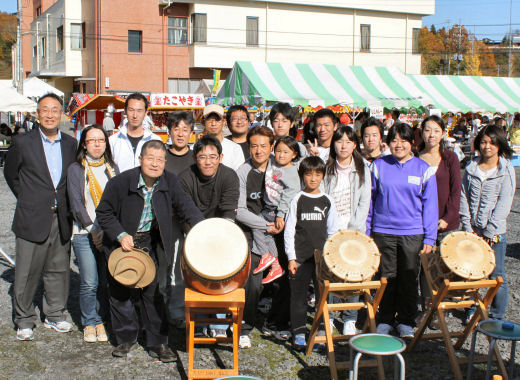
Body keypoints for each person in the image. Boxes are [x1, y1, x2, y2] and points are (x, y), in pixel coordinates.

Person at [96, 140, 204, 361]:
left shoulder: (169, 181)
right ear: (140, 159)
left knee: (152, 293)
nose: (155, 164)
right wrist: (120, 234)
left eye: (160, 159)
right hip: (120, 243)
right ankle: (126, 338)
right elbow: (104, 212)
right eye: (150, 158)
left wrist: (203, 228)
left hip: (146, 242)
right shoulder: (120, 182)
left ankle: (158, 342)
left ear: (165, 161)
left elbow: (186, 207)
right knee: (120, 293)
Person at [4, 93, 78, 341]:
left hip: (62, 217)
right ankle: (24, 319)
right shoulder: (23, 142)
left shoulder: (70, 143)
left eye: (54, 110)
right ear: (37, 113)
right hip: (32, 216)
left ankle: (55, 314)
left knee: (58, 269)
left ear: (61, 114)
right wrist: (28, 199)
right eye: (44, 110)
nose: (49, 114)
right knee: (26, 271)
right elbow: (11, 174)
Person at [367, 123, 438, 338]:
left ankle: (406, 320)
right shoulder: (378, 166)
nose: (399, 145)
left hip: (412, 232)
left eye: (404, 140)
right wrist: (368, 229)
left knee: (408, 276)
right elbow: (370, 200)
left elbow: (430, 205)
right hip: (383, 231)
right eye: (394, 140)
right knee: (386, 277)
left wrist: (430, 236)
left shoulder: (423, 169)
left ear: (412, 143)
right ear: (388, 143)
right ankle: (386, 318)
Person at [179, 135, 240, 338]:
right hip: (194, 229)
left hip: (222, 229)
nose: (208, 161)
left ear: (220, 157)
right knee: (195, 272)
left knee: (225, 270)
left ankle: (221, 320)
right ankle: (198, 318)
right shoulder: (185, 177)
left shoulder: (229, 176)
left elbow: (228, 211)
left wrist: (218, 238)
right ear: (195, 157)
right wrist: (200, 238)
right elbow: (184, 211)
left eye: (213, 156)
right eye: (202, 156)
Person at [67, 124, 118, 343]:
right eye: (92, 140)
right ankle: (89, 321)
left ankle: (102, 319)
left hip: (108, 234)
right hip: (84, 233)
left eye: (101, 140)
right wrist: (92, 229)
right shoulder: (76, 169)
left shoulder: (111, 167)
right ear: (84, 144)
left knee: (105, 280)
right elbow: (76, 204)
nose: (97, 144)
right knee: (89, 281)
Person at [460, 125, 515, 321]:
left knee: (496, 274)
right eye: (484, 142)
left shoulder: (505, 169)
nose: (487, 146)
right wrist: (467, 226)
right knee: (470, 272)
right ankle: (471, 308)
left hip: (495, 233)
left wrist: (489, 232)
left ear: (500, 144)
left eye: (492, 142)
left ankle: (497, 315)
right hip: (473, 230)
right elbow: (463, 196)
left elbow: (504, 203)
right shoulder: (471, 167)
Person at [285, 156, 339, 349]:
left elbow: (333, 231)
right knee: (298, 298)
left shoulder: (327, 201)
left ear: (323, 176)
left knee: (323, 297)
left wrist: (332, 258)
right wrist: (291, 257)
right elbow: (290, 230)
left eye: (317, 174)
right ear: (302, 176)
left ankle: (321, 332)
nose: (313, 178)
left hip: (322, 261)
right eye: (308, 174)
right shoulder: (297, 199)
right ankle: (299, 332)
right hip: (300, 259)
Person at [236, 126, 282, 348]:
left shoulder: (280, 167)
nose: (259, 150)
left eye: (264, 145)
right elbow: (240, 210)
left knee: (283, 281)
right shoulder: (242, 171)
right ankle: (245, 325)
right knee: (252, 283)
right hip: (254, 232)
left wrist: (280, 221)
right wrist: (266, 225)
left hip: (280, 230)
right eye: (254, 145)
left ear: (271, 146)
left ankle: (276, 323)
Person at [323, 126, 371, 336]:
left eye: (348, 142)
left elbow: (364, 201)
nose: (344, 146)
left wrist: (355, 228)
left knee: (353, 275)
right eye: (340, 141)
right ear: (334, 143)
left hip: (354, 230)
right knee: (332, 274)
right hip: (331, 229)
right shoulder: (327, 167)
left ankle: (350, 317)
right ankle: (331, 315)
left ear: (354, 145)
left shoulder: (362, 168)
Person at [418, 116, 461, 319]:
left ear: (443, 133)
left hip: (446, 223)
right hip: (421, 224)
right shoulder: (416, 157)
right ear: (421, 133)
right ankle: (428, 309)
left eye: (436, 130)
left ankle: (441, 308)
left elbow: (456, 192)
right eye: (427, 130)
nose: (431, 134)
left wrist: (447, 217)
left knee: (444, 268)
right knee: (425, 269)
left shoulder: (450, 157)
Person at [253, 136, 301, 284]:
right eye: (278, 151)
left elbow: (289, 195)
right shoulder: (273, 161)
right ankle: (274, 264)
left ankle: (270, 258)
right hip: (268, 206)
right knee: (265, 233)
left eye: (286, 152)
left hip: (277, 209)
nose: (281, 155)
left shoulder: (292, 171)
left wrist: (280, 215)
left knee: (258, 226)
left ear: (294, 155)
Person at [109, 92, 162, 173]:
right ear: (125, 111)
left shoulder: (155, 140)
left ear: (145, 113)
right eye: (131, 110)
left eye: (139, 111)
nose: (135, 115)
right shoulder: (113, 141)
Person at [203, 104, 244, 170]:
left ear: (223, 121)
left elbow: (239, 175)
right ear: (203, 122)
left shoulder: (235, 149)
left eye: (217, 119)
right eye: (209, 119)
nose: (213, 123)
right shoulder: (194, 148)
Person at [164, 111, 195, 175]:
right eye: (176, 129)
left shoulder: (196, 158)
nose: (180, 134)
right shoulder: (161, 157)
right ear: (169, 132)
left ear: (191, 134)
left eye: (185, 130)